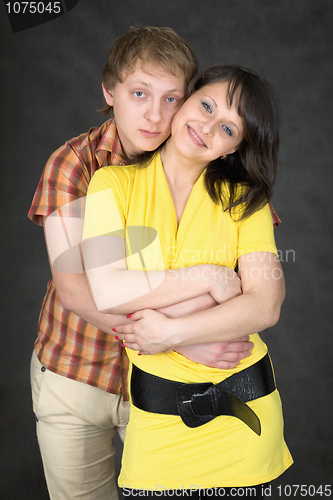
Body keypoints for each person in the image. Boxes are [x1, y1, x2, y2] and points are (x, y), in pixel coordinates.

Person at [28, 27, 254, 500]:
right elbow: (74, 289)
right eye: (138, 94)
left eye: (172, 98)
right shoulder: (76, 165)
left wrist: (180, 341)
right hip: (77, 371)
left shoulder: (218, 173)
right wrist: (183, 341)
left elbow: (251, 280)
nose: (155, 115)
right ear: (109, 92)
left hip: (168, 388)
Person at [82, 64, 293, 499]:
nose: (207, 126)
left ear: (233, 149)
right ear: (186, 101)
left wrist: (168, 332)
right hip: (156, 424)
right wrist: (208, 277)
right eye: (206, 105)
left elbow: (264, 305)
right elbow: (107, 289)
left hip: (245, 423)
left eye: (228, 128)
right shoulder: (111, 184)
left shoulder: (245, 202)